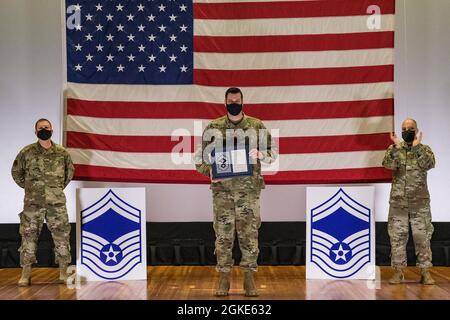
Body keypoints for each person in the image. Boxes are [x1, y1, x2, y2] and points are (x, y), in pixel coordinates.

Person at [195, 87, 277, 297]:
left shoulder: (256, 126)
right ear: (225, 102)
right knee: (223, 237)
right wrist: (211, 173)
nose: (234, 103)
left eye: (237, 100)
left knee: (249, 236)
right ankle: (224, 279)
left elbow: (272, 153)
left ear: (242, 101)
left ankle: (249, 279)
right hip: (222, 193)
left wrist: (261, 153)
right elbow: (199, 160)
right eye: (230, 100)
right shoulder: (213, 127)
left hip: (249, 193)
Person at [11, 118, 74, 286]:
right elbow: (16, 172)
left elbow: (69, 173)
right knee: (28, 237)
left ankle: (63, 272)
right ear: (35, 131)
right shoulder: (27, 152)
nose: (44, 129)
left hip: (56, 203)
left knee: (62, 237)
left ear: (52, 130)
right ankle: (26, 274)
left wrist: (55, 189)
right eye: (41, 128)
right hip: (33, 204)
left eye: (47, 127)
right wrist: (31, 189)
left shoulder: (62, 152)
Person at [382, 118, 435, 285]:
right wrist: (397, 147)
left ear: (416, 129)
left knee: (422, 237)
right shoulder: (394, 149)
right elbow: (388, 165)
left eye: (410, 128)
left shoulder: (424, 149)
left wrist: (417, 147)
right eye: (404, 128)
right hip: (399, 204)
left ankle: (425, 272)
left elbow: (429, 164)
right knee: (397, 238)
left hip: (420, 204)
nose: (407, 130)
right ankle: (398, 272)